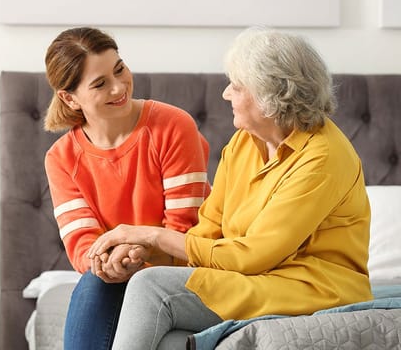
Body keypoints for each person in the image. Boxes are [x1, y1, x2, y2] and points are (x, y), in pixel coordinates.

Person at [88, 26, 373, 350]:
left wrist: (150, 235)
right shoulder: (243, 143)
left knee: (151, 287)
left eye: (237, 87)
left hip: (312, 286)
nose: (225, 94)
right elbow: (207, 233)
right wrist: (144, 251)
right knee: (171, 341)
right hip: (255, 279)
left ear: (271, 97)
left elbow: (255, 255)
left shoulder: (322, 157)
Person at [43, 26, 211, 350]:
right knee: (96, 282)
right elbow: (84, 247)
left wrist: (135, 254)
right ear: (69, 98)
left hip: (184, 270)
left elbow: (185, 229)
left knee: (108, 285)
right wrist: (113, 264)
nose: (119, 87)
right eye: (100, 83)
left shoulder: (172, 126)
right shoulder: (61, 158)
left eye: (119, 69)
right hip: (116, 278)